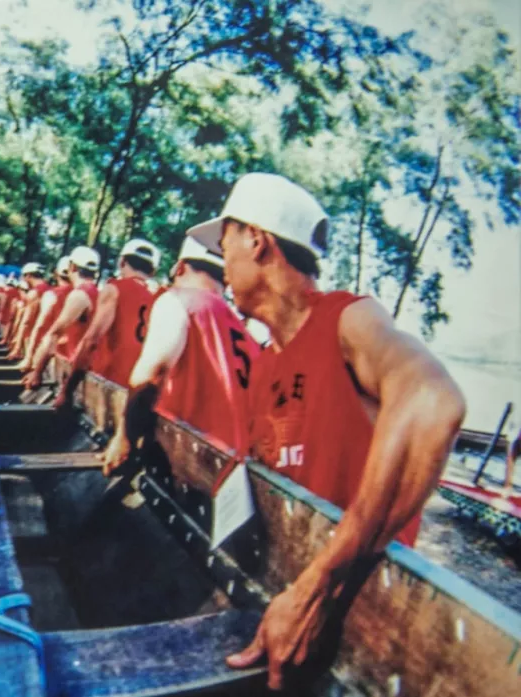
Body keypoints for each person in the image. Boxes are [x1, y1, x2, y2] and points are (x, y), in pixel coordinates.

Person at [182, 173, 467, 690]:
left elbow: (434, 402)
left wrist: (320, 586)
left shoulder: (348, 320)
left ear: (256, 240)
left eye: (225, 245)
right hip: (286, 596)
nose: (222, 264)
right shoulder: (266, 359)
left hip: (348, 613)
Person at [99, 236, 256, 473]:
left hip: (193, 462)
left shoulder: (178, 300)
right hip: (235, 465)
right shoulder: (242, 328)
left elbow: (150, 375)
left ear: (180, 268)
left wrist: (124, 438)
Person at [56, 239, 161, 411]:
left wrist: (67, 390)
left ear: (122, 262)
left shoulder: (114, 289)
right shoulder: (160, 297)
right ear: (153, 270)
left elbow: (91, 341)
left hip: (111, 383)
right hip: (141, 391)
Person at [25, 247, 100, 388]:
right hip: (92, 368)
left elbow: (54, 334)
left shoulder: (79, 295)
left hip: (79, 370)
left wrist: (37, 372)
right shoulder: (98, 293)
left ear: (72, 267)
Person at [8, 263, 48, 360]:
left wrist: (17, 347)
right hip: (46, 339)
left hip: (32, 338)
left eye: (23, 276)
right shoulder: (50, 289)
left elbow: (26, 322)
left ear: (28, 275)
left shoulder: (34, 293)